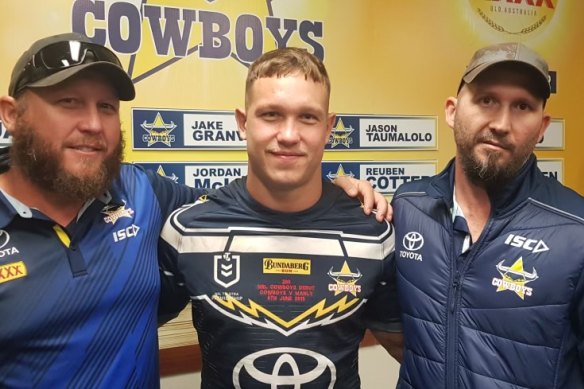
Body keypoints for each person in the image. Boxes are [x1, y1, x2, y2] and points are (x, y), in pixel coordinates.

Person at [0, 33, 391, 388]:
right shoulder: (173, 216)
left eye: (106, 106)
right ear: (11, 114)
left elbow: (241, 207)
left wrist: (345, 191)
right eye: (68, 102)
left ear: (328, 127)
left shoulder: (141, 194)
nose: (92, 123)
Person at [158, 47, 403, 388]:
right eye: (271, 114)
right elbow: (123, 334)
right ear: (243, 123)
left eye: (307, 117)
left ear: (329, 127)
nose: (289, 135)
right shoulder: (187, 230)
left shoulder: (373, 233)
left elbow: (415, 352)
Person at [391, 42, 584, 389]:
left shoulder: (576, 231)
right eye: (486, 100)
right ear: (452, 111)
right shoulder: (408, 207)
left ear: (542, 127)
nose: (501, 123)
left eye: (522, 106)